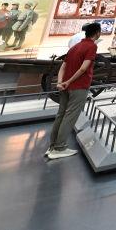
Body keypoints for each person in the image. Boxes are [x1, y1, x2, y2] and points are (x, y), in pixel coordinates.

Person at [46, 22, 99, 160]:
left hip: (65, 86)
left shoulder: (75, 47)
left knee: (61, 114)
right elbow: (83, 68)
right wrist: (69, 81)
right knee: (70, 116)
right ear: (97, 33)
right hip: (78, 86)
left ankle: (52, 146)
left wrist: (60, 82)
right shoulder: (92, 46)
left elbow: (63, 67)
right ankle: (59, 148)